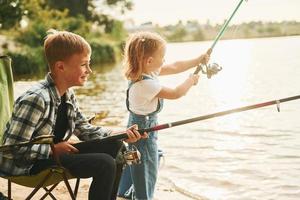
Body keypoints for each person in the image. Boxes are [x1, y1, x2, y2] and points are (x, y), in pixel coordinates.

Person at [0, 29, 146, 200]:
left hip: (54, 155)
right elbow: (13, 149)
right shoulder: (36, 99)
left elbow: (85, 130)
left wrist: (122, 133)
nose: (89, 70)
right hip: (27, 165)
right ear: (60, 67)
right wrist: (52, 149)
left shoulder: (67, 94)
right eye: (84, 64)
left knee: (116, 146)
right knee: (104, 163)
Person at [118, 31, 211, 200]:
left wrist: (198, 60)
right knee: (146, 172)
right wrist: (191, 81)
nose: (164, 61)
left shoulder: (144, 72)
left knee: (144, 170)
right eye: (162, 56)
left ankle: (136, 195)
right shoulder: (144, 84)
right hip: (143, 135)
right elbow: (176, 93)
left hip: (142, 130)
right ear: (149, 61)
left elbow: (175, 66)